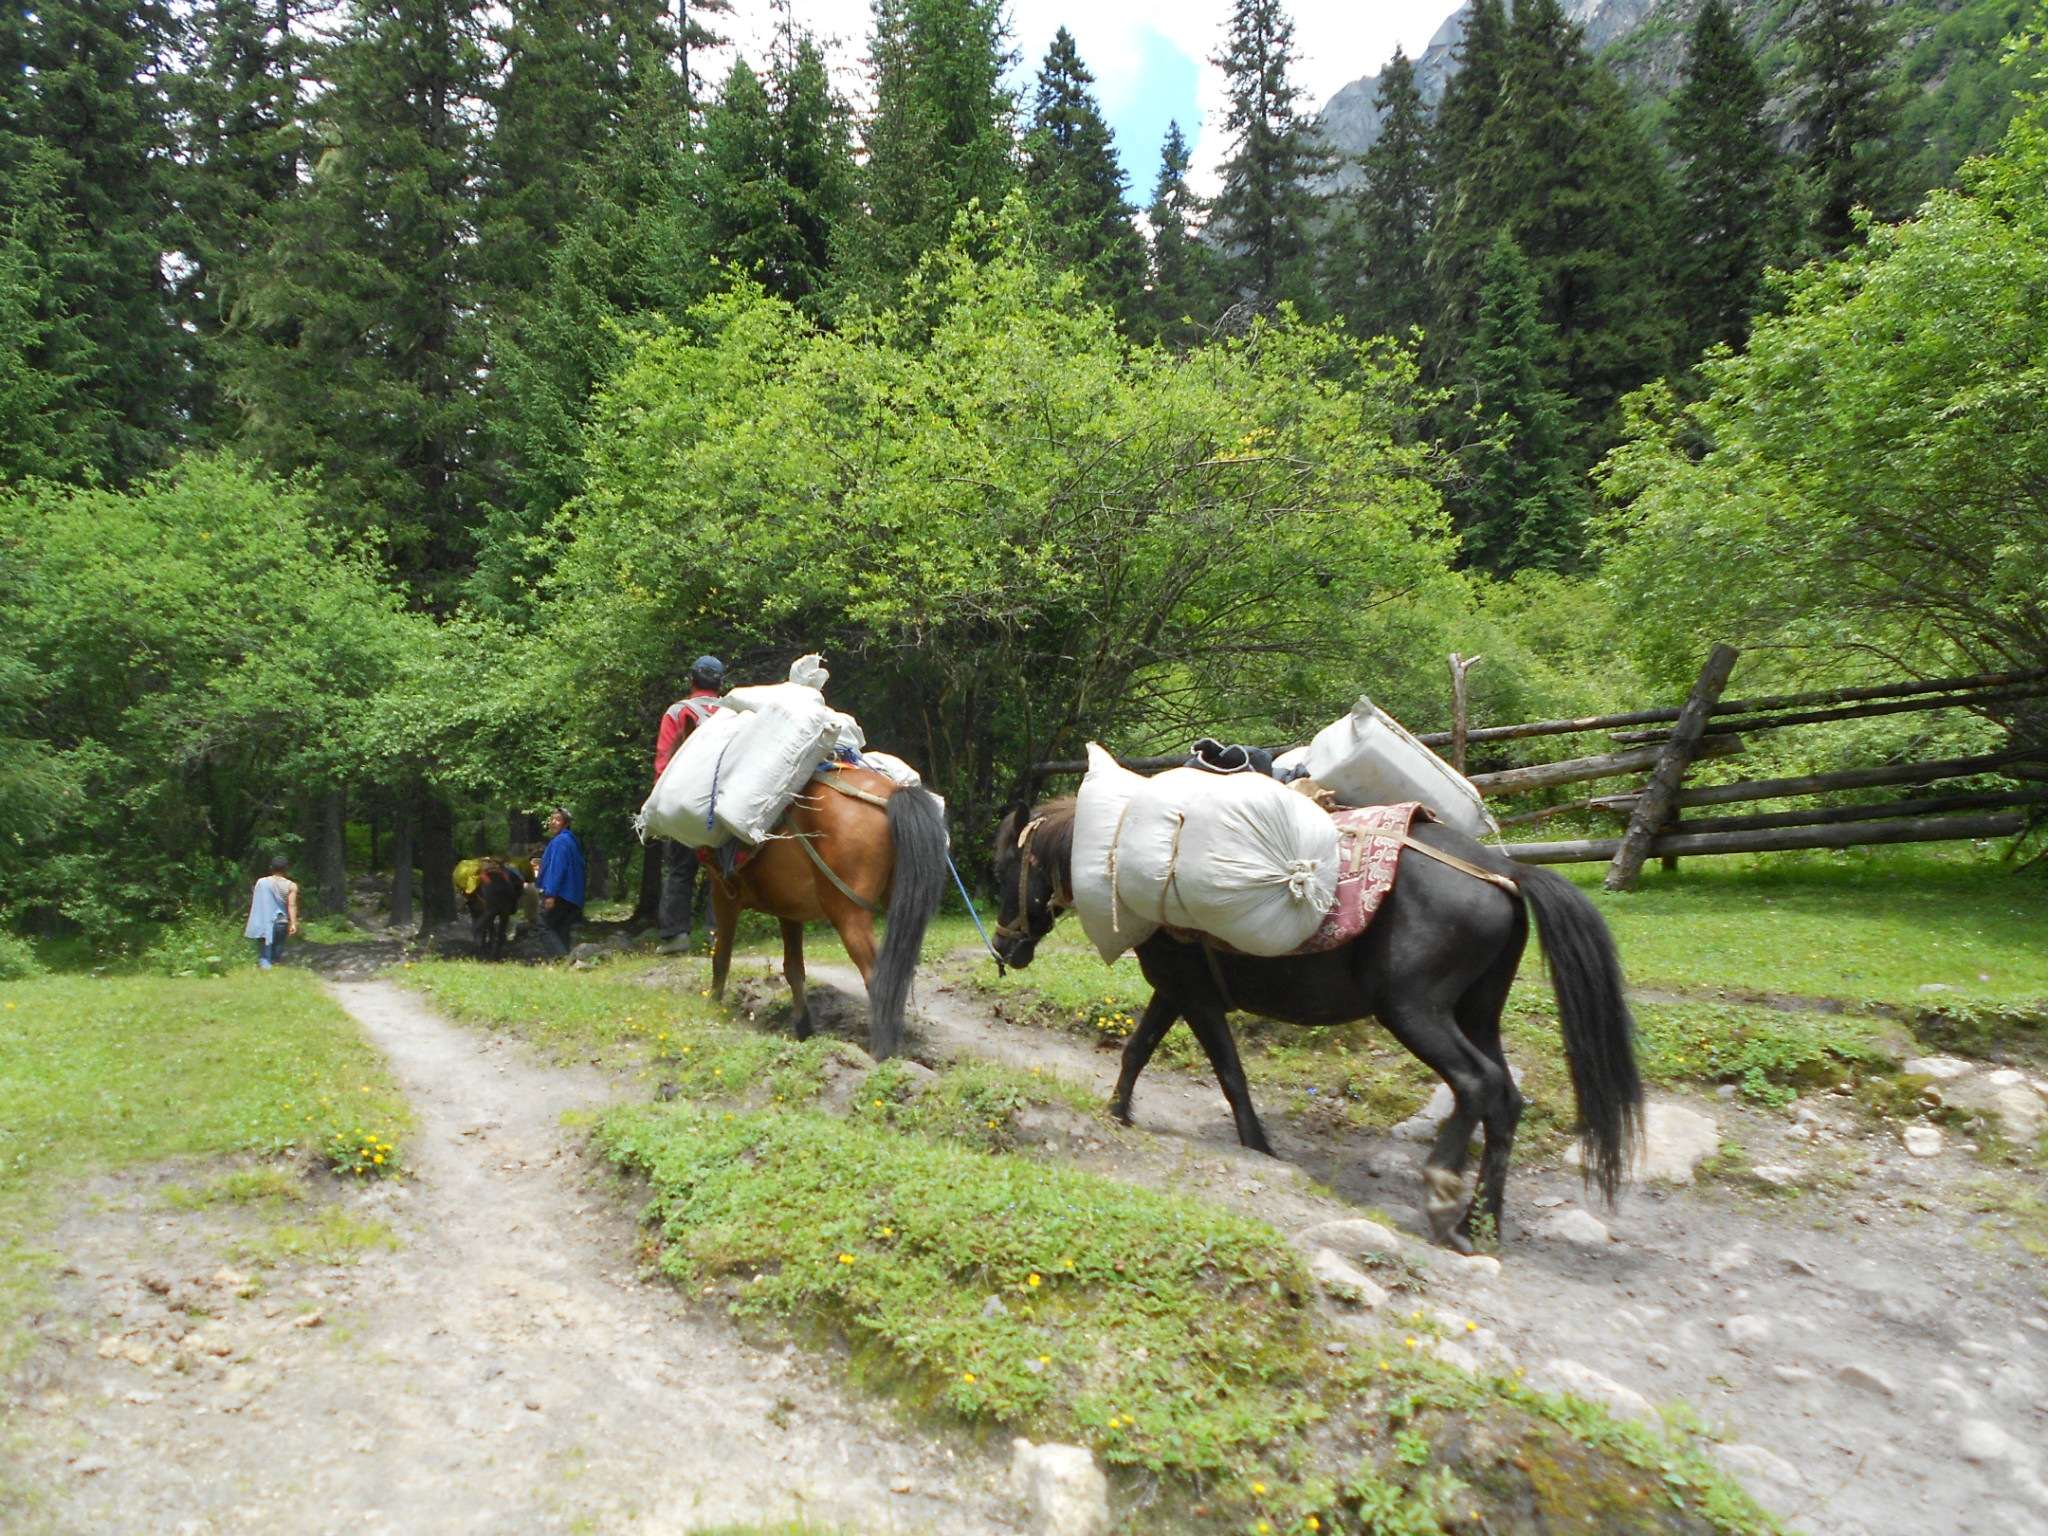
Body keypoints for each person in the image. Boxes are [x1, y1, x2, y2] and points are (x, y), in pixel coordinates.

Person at [653, 655, 725, 956]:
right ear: (720, 685)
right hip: (723, 805)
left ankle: (675, 936)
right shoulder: (733, 713)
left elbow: (664, 762)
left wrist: (661, 807)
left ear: (691, 680)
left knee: (681, 870)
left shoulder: (678, 712)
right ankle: (717, 935)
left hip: (685, 802)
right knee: (719, 872)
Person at [534, 808, 586, 960]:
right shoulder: (572, 841)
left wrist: (551, 894)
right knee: (561, 928)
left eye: (557, 820)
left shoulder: (560, 842)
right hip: (573, 896)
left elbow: (558, 868)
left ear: (566, 824)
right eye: (551, 820)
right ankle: (565, 962)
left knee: (543, 924)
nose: (552, 823)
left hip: (562, 893)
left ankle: (561, 958)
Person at [244, 855, 300, 969]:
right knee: (276, 956)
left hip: (264, 923)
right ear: (286, 869)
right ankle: (274, 973)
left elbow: (259, 903)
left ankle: (266, 976)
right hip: (281, 923)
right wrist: (293, 923)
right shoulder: (291, 886)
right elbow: (291, 904)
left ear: (271, 867)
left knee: (265, 956)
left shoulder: (261, 882)